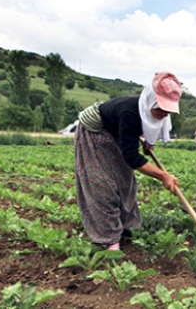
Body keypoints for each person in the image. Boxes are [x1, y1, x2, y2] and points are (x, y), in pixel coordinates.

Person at [74, 72, 182, 251]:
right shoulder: (130, 112)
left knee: (126, 181)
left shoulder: (157, 113)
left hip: (114, 132)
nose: (163, 114)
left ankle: (128, 229)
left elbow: (145, 129)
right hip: (94, 132)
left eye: (167, 110)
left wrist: (149, 142)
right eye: (160, 109)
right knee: (102, 184)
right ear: (150, 101)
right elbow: (131, 156)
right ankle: (108, 239)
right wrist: (163, 176)